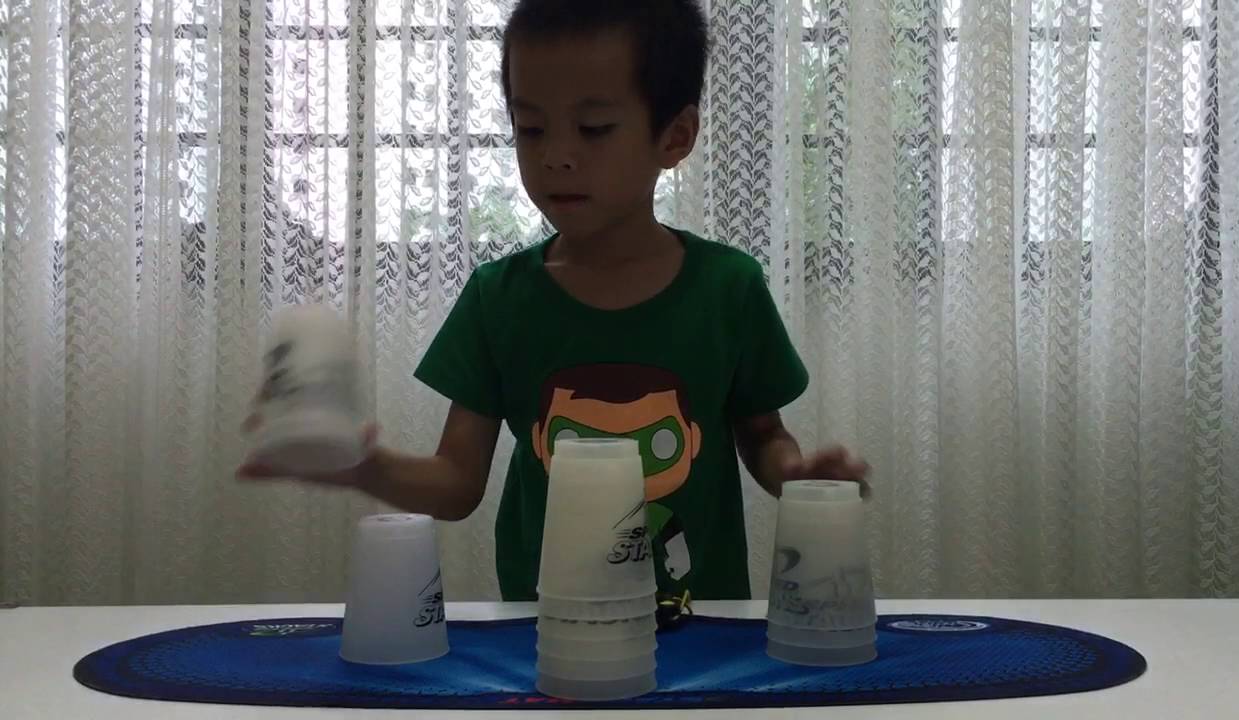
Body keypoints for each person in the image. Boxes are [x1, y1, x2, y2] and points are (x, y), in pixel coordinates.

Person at [239, 0, 869, 601]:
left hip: (700, 628)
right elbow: (456, 483)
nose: (556, 157)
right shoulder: (498, 297)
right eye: (531, 128)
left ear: (675, 136)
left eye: (593, 129)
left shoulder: (729, 287)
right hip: (548, 631)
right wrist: (361, 466)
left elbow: (763, 434)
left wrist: (795, 476)